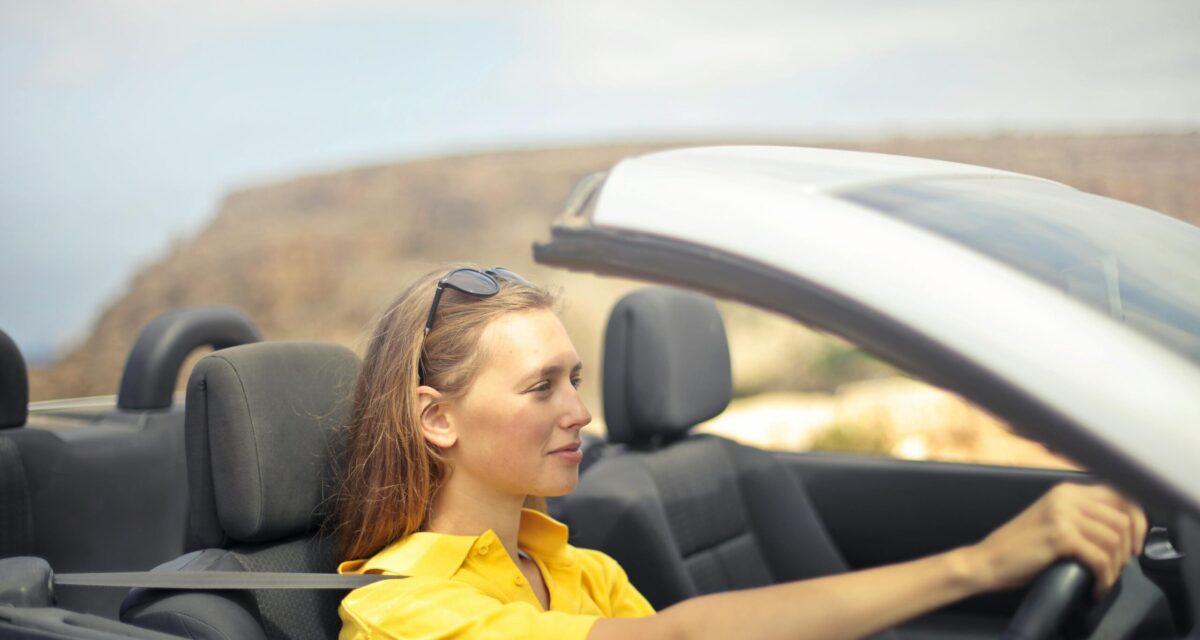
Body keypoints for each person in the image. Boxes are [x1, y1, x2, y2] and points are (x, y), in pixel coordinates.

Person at [332, 264, 1149, 640]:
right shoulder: (400, 608)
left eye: (575, 379)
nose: (581, 411)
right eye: (541, 387)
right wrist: (978, 565)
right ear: (437, 420)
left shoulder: (580, 571)